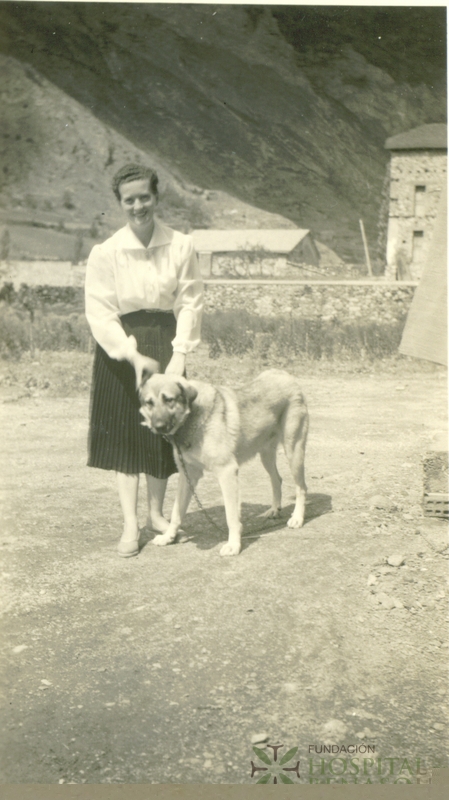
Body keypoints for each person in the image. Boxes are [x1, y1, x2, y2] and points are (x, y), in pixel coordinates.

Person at [85, 163, 204, 557]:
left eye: (144, 197)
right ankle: (130, 525)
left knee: (163, 430)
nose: (138, 206)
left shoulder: (182, 246)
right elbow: (100, 312)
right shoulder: (106, 252)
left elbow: (189, 302)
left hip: (167, 344)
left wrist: (179, 355)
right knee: (125, 436)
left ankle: (156, 515)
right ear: (120, 203)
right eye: (129, 200)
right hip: (122, 347)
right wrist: (131, 355)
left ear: (156, 197)